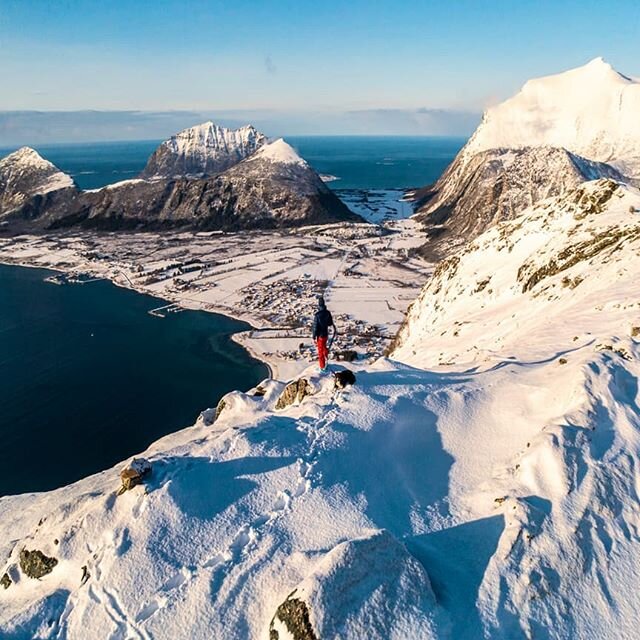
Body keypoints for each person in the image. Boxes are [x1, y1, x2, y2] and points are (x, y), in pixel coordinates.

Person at [312, 296, 336, 371]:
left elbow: (315, 327)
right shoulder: (327, 313)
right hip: (325, 334)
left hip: (320, 336)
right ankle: (326, 359)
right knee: (324, 347)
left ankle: (322, 367)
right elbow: (330, 323)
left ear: (319, 305)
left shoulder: (317, 315)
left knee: (320, 351)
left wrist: (314, 336)